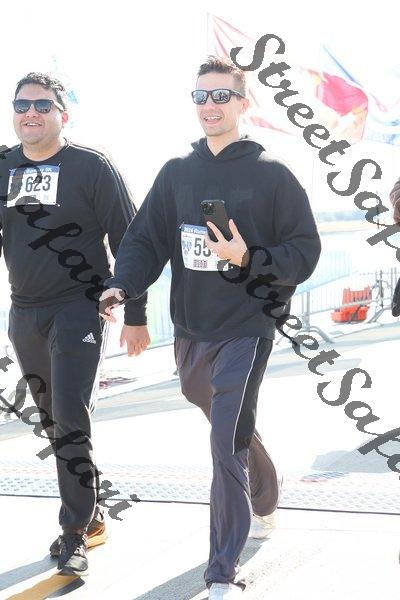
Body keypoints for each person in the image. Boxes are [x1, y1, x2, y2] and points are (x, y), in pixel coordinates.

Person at [99, 56, 321, 599]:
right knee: (227, 424)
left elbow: (305, 251)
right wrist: (122, 286)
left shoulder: (272, 173)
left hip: (248, 326)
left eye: (221, 96)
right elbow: (144, 240)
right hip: (191, 328)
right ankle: (265, 488)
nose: (209, 106)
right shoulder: (177, 171)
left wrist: (249, 257)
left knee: (224, 442)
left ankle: (222, 568)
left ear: (244, 103)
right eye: (200, 96)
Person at [0, 72, 150, 576]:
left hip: (80, 308)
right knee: (53, 420)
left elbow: (131, 241)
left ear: (63, 114)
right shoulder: (4, 167)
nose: (31, 113)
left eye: (43, 105)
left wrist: (135, 313)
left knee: (69, 414)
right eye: (22, 105)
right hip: (25, 312)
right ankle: (94, 510)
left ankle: (74, 531)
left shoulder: (91, 166)